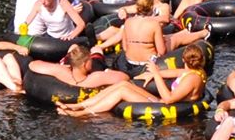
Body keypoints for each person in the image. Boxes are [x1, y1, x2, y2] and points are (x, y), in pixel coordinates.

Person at [56, 44, 207, 117]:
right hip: (158, 101)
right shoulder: (195, 72)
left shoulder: (192, 79)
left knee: (122, 91)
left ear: (183, 59)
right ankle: (78, 105)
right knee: (123, 83)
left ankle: (82, 113)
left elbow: (168, 99)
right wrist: (153, 73)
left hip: (162, 105)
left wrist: (156, 74)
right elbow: (175, 71)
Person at [28, 43, 129, 89]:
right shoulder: (96, 77)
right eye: (90, 60)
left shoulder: (61, 72)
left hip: (69, 71)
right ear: (85, 64)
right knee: (97, 51)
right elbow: (125, 77)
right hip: (95, 71)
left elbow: (33, 64)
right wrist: (107, 72)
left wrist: (59, 66)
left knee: (74, 46)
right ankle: (95, 47)